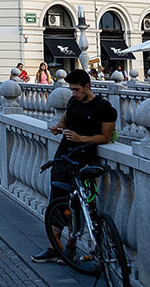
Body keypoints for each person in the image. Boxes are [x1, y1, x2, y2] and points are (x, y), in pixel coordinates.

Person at [32, 68, 117, 264]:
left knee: (80, 204)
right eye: (71, 89)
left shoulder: (104, 107)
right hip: (64, 157)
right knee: (57, 199)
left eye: (77, 89)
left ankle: (71, 247)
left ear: (88, 86)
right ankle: (55, 247)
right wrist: (58, 127)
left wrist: (81, 138)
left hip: (85, 159)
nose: (74, 93)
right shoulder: (72, 102)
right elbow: (66, 119)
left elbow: (105, 137)